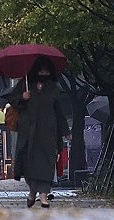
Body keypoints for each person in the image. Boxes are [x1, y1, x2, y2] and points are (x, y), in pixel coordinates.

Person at [6, 56, 69, 207]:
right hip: (29, 133)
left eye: (47, 71)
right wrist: (22, 97)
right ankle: (33, 191)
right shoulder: (26, 84)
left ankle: (43, 196)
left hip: (48, 133)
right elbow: (12, 99)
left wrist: (65, 130)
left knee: (47, 164)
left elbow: (58, 111)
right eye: (41, 70)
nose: (44, 73)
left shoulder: (54, 88)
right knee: (30, 165)